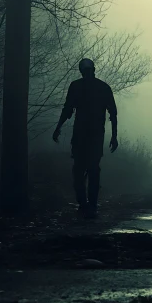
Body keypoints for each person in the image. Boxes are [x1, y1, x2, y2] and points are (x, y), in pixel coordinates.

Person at [52, 58, 118, 219]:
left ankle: (85, 204)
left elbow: (68, 110)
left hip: (84, 134)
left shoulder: (77, 86)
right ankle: (89, 204)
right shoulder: (102, 87)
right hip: (92, 134)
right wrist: (114, 136)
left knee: (82, 169)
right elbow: (113, 113)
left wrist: (58, 127)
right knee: (91, 169)